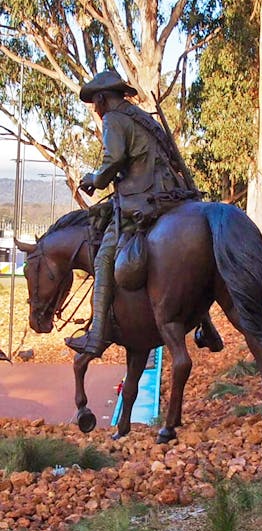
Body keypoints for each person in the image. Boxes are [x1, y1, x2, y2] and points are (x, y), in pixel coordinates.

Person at [65, 69, 223, 357]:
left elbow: (113, 160)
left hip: (143, 200)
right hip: (176, 195)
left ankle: (97, 334)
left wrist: (94, 179)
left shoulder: (114, 119)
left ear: (102, 98)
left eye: (95, 103)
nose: (96, 110)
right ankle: (208, 328)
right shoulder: (144, 119)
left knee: (103, 257)